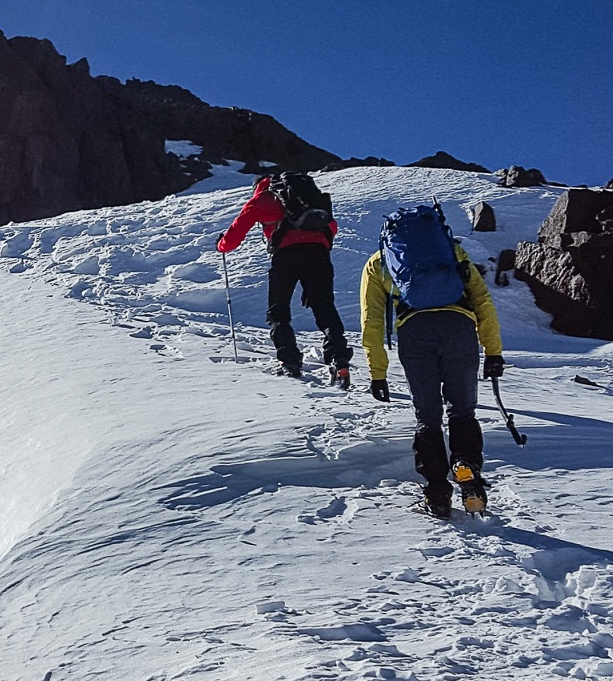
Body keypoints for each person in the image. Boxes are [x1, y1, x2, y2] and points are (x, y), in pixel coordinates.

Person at [360, 205, 505, 517]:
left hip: (414, 333)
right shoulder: (451, 251)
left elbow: (371, 321)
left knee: (428, 415)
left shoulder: (379, 262)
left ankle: (437, 493)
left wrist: (377, 373)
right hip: (460, 329)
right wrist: (493, 351)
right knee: (462, 410)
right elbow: (482, 300)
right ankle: (465, 465)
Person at [215, 173, 353, 385]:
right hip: (319, 253)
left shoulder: (264, 198)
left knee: (278, 311)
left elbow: (238, 229)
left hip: (286, 255)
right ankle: (339, 361)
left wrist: (222, 245)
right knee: (325, 308)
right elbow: (330, 227)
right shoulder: (310, 198)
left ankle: (289, 361)